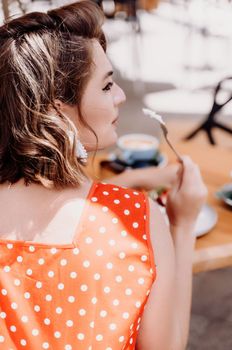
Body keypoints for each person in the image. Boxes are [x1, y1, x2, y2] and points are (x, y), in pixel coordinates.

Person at [0, 1, 207, 349]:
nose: (122, 97)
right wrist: (181, 224)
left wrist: (139, 180)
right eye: (107, 85)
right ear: (55, 107)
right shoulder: (137, 219)